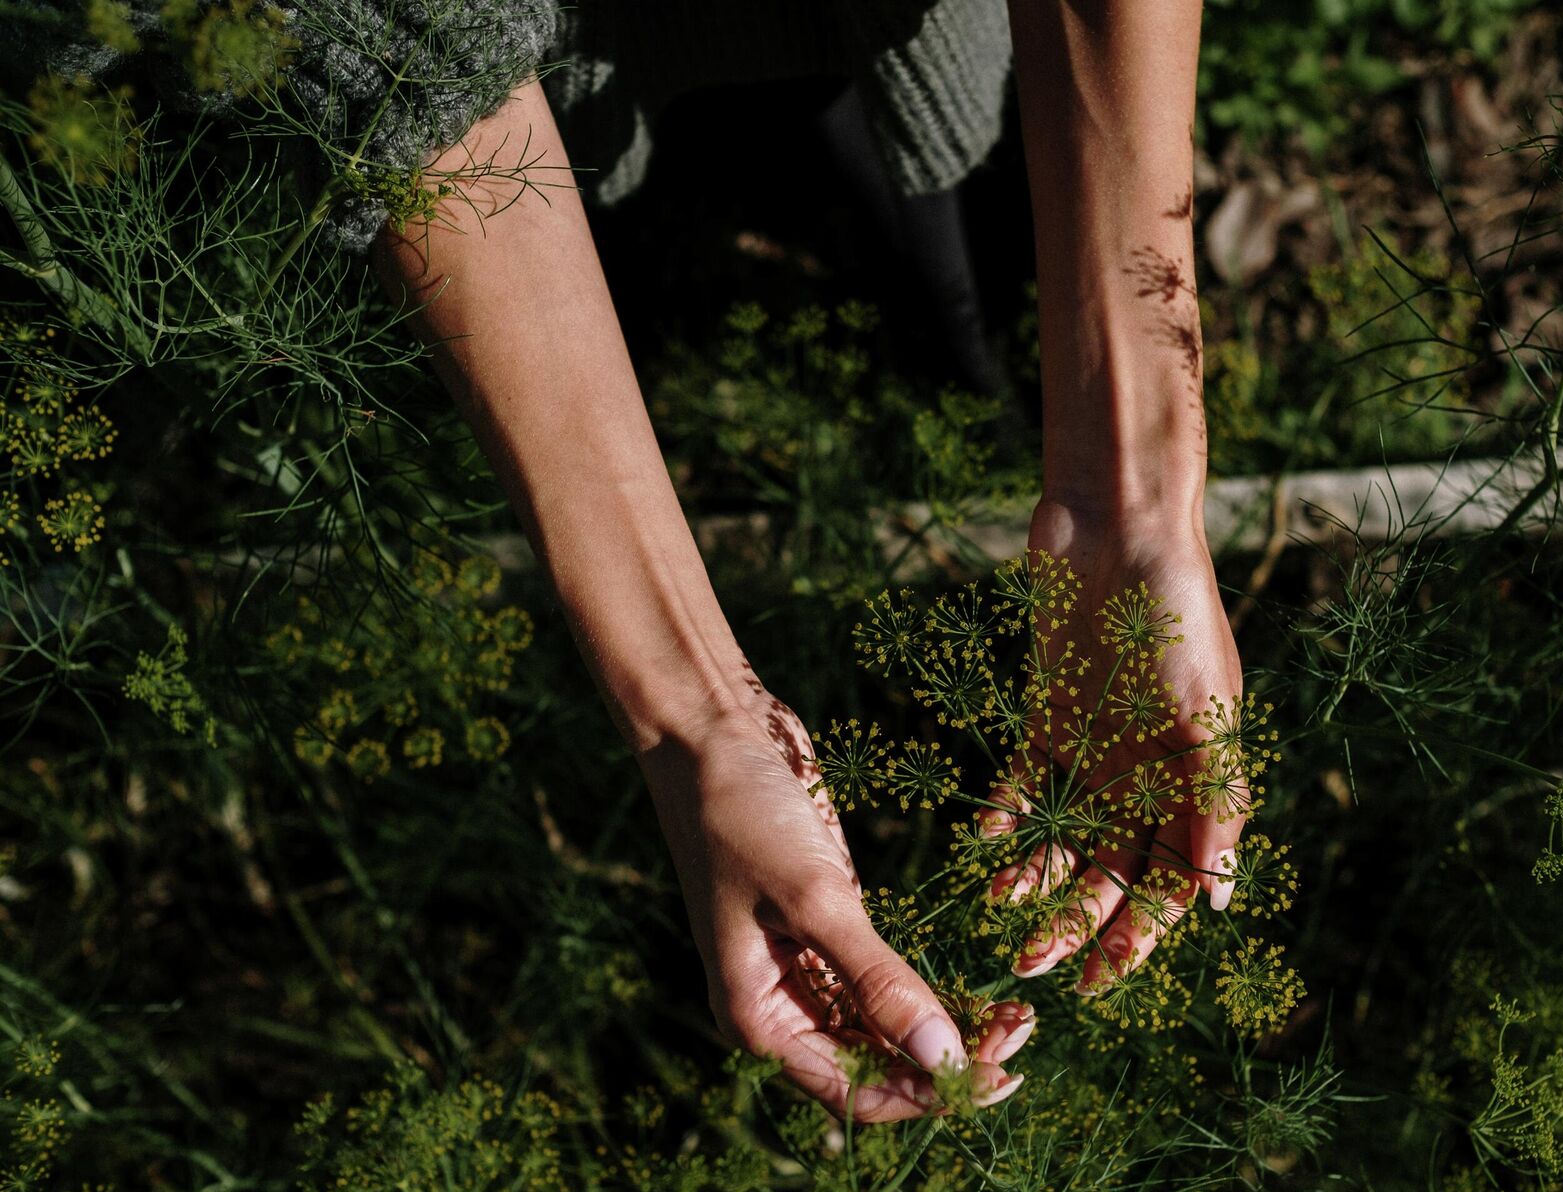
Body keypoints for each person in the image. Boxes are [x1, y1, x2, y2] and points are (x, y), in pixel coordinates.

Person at [28, 0, 1252, 1122]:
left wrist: (1132, 501)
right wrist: (692, 714)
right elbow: (382, 36)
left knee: (923, 244)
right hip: (493, 103)